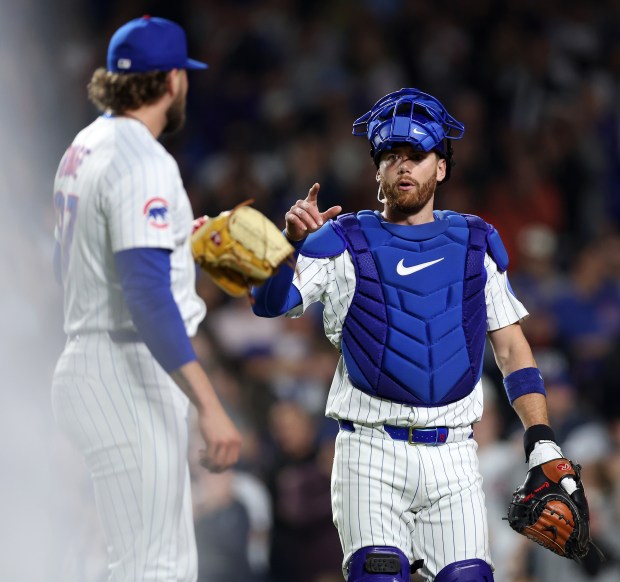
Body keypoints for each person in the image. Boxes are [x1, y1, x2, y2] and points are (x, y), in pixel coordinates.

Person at [251, 88, 579, 581]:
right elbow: (270, 303)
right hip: (370, 452)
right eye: (391, 156)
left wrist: (542, 438)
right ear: (376, 171)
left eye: (417, 156)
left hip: (455, 455)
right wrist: (283, 247)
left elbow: (512, 347)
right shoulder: (341, 240)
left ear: (441, 167)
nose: (404, 166)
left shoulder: (474, 242)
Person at [51, 16, 241, 581]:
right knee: (157, 567)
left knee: (134, 562)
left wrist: (176, 244)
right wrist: (210, 406)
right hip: (126, 368)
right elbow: (146, 296)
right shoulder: (145, 161)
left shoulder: (85, 144)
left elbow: (103, 257)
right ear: (171, 81)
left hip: (91, 358)